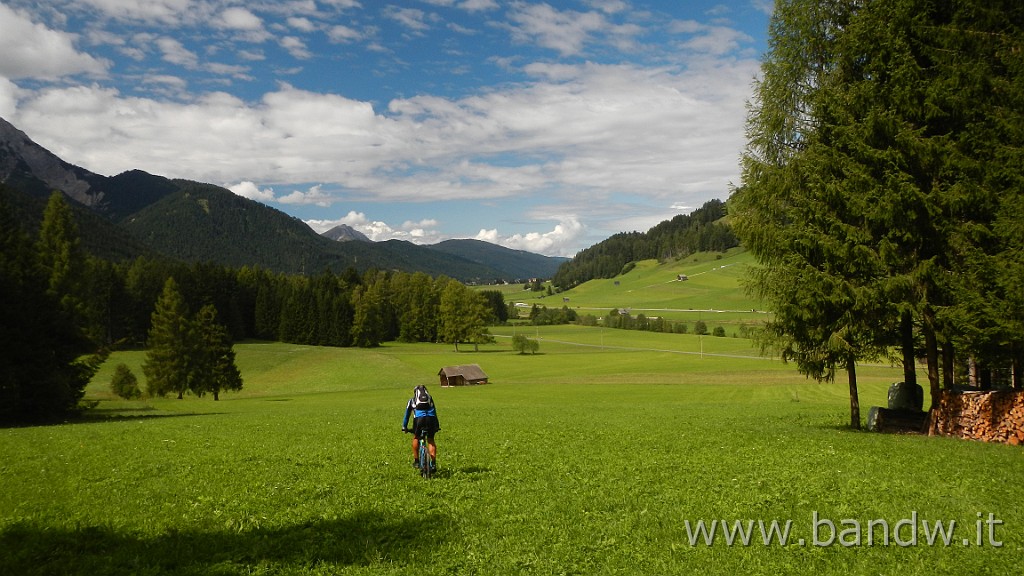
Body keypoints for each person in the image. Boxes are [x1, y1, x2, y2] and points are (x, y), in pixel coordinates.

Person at [402, 385, 440, 471]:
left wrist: (404, 427)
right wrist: (437, 426)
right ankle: (433, 464)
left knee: (416, 437)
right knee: (430, 440)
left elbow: (407, 415)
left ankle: (416, 461)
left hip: (419, 420)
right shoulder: (430, 399)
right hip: (431, 419)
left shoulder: (412, 401)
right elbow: (434, 412)